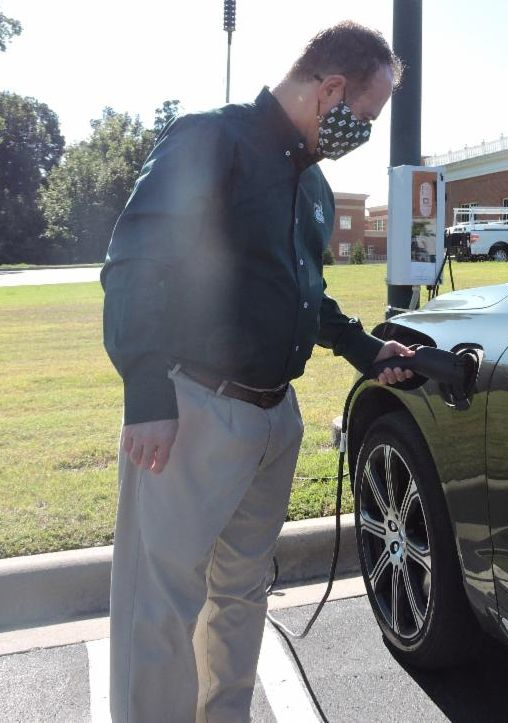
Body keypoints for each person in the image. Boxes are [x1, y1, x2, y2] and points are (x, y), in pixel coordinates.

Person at [101, 21, 412, 722]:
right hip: (192, 410)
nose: (360, 131)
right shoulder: (211, 140)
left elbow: (302, 292)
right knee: (160, 603)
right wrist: (146, 390)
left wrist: (365, 349)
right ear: (330, 88)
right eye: (363, 116)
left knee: (241, 592)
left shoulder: (310, 184)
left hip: (274, 418)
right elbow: (133, 263)